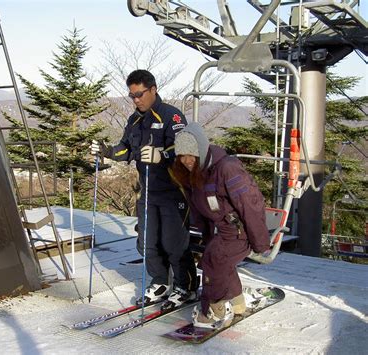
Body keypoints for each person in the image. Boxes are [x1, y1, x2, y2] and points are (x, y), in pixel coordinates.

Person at [90, 69, 198, 310]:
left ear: (153, 89)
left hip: (174, 191)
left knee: (173, 243)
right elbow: (126, 149)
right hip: (148, 191)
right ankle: (160, 282)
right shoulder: (134, 120)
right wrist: (106, 151)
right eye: (131, 95)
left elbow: (185, 150)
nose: (136, 99)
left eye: (139, 94)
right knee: (147, 242)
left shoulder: (173, 116)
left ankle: (186, 286)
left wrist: (162, 154)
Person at [171, 122, 270, 329]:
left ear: (202, 150)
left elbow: (251, 205)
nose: (187, 160)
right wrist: (207, 237)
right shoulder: (194, 173)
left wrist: (261, 244)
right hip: (221, 230)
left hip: (239, 231)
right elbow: (199, 209)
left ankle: (214, 309)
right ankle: (237, 303)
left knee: (213, 263)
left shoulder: (227, 168)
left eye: (191, 155)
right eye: (182, 155)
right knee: (217, 258)